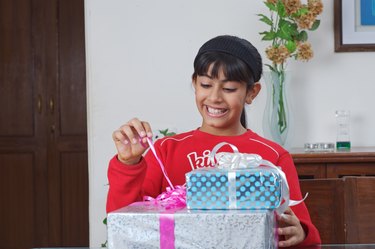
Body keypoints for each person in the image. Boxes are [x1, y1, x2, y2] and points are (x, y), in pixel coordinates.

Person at [107, 35, 321, 247]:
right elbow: (126, 224)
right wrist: (128, 164)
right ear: (195, 84)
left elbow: (303, 235)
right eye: (206, 84)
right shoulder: (166, 150)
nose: (215, 97)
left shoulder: (272, 156)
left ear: (252, 93)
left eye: (229, 89)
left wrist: (300, 233)